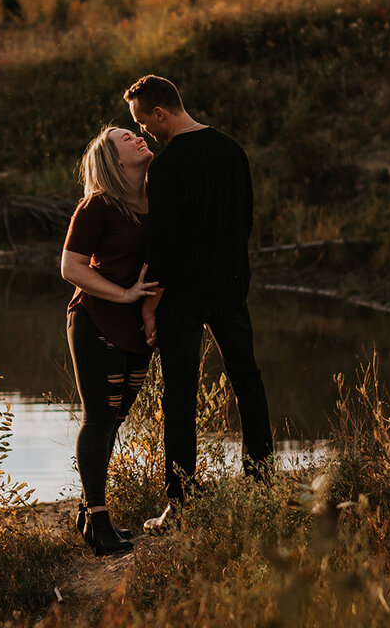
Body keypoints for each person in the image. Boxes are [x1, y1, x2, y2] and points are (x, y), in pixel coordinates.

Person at [123, 74, 274, 532]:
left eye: (142, 121)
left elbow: (163, 247)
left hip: (183, 297)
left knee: (180, 396)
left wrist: (149, 305)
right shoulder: (233, 150)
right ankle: (262, 483)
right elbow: (245, 220)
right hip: (230, 287)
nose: (144, 131)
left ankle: (181, 502)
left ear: (159, 113)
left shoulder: (166, 167)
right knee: (247, 379)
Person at [61, 125, 159, 556]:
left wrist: (149, 309)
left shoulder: (157, 201)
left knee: (116, 421)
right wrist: (123, 295)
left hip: (136, 326)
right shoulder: (98, 205)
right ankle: (99, 520)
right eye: (126, 138)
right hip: (95, 318)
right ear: (113, 160)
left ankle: (87, 511)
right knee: (100, 419)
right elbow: (71, 267)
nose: (138, 138)